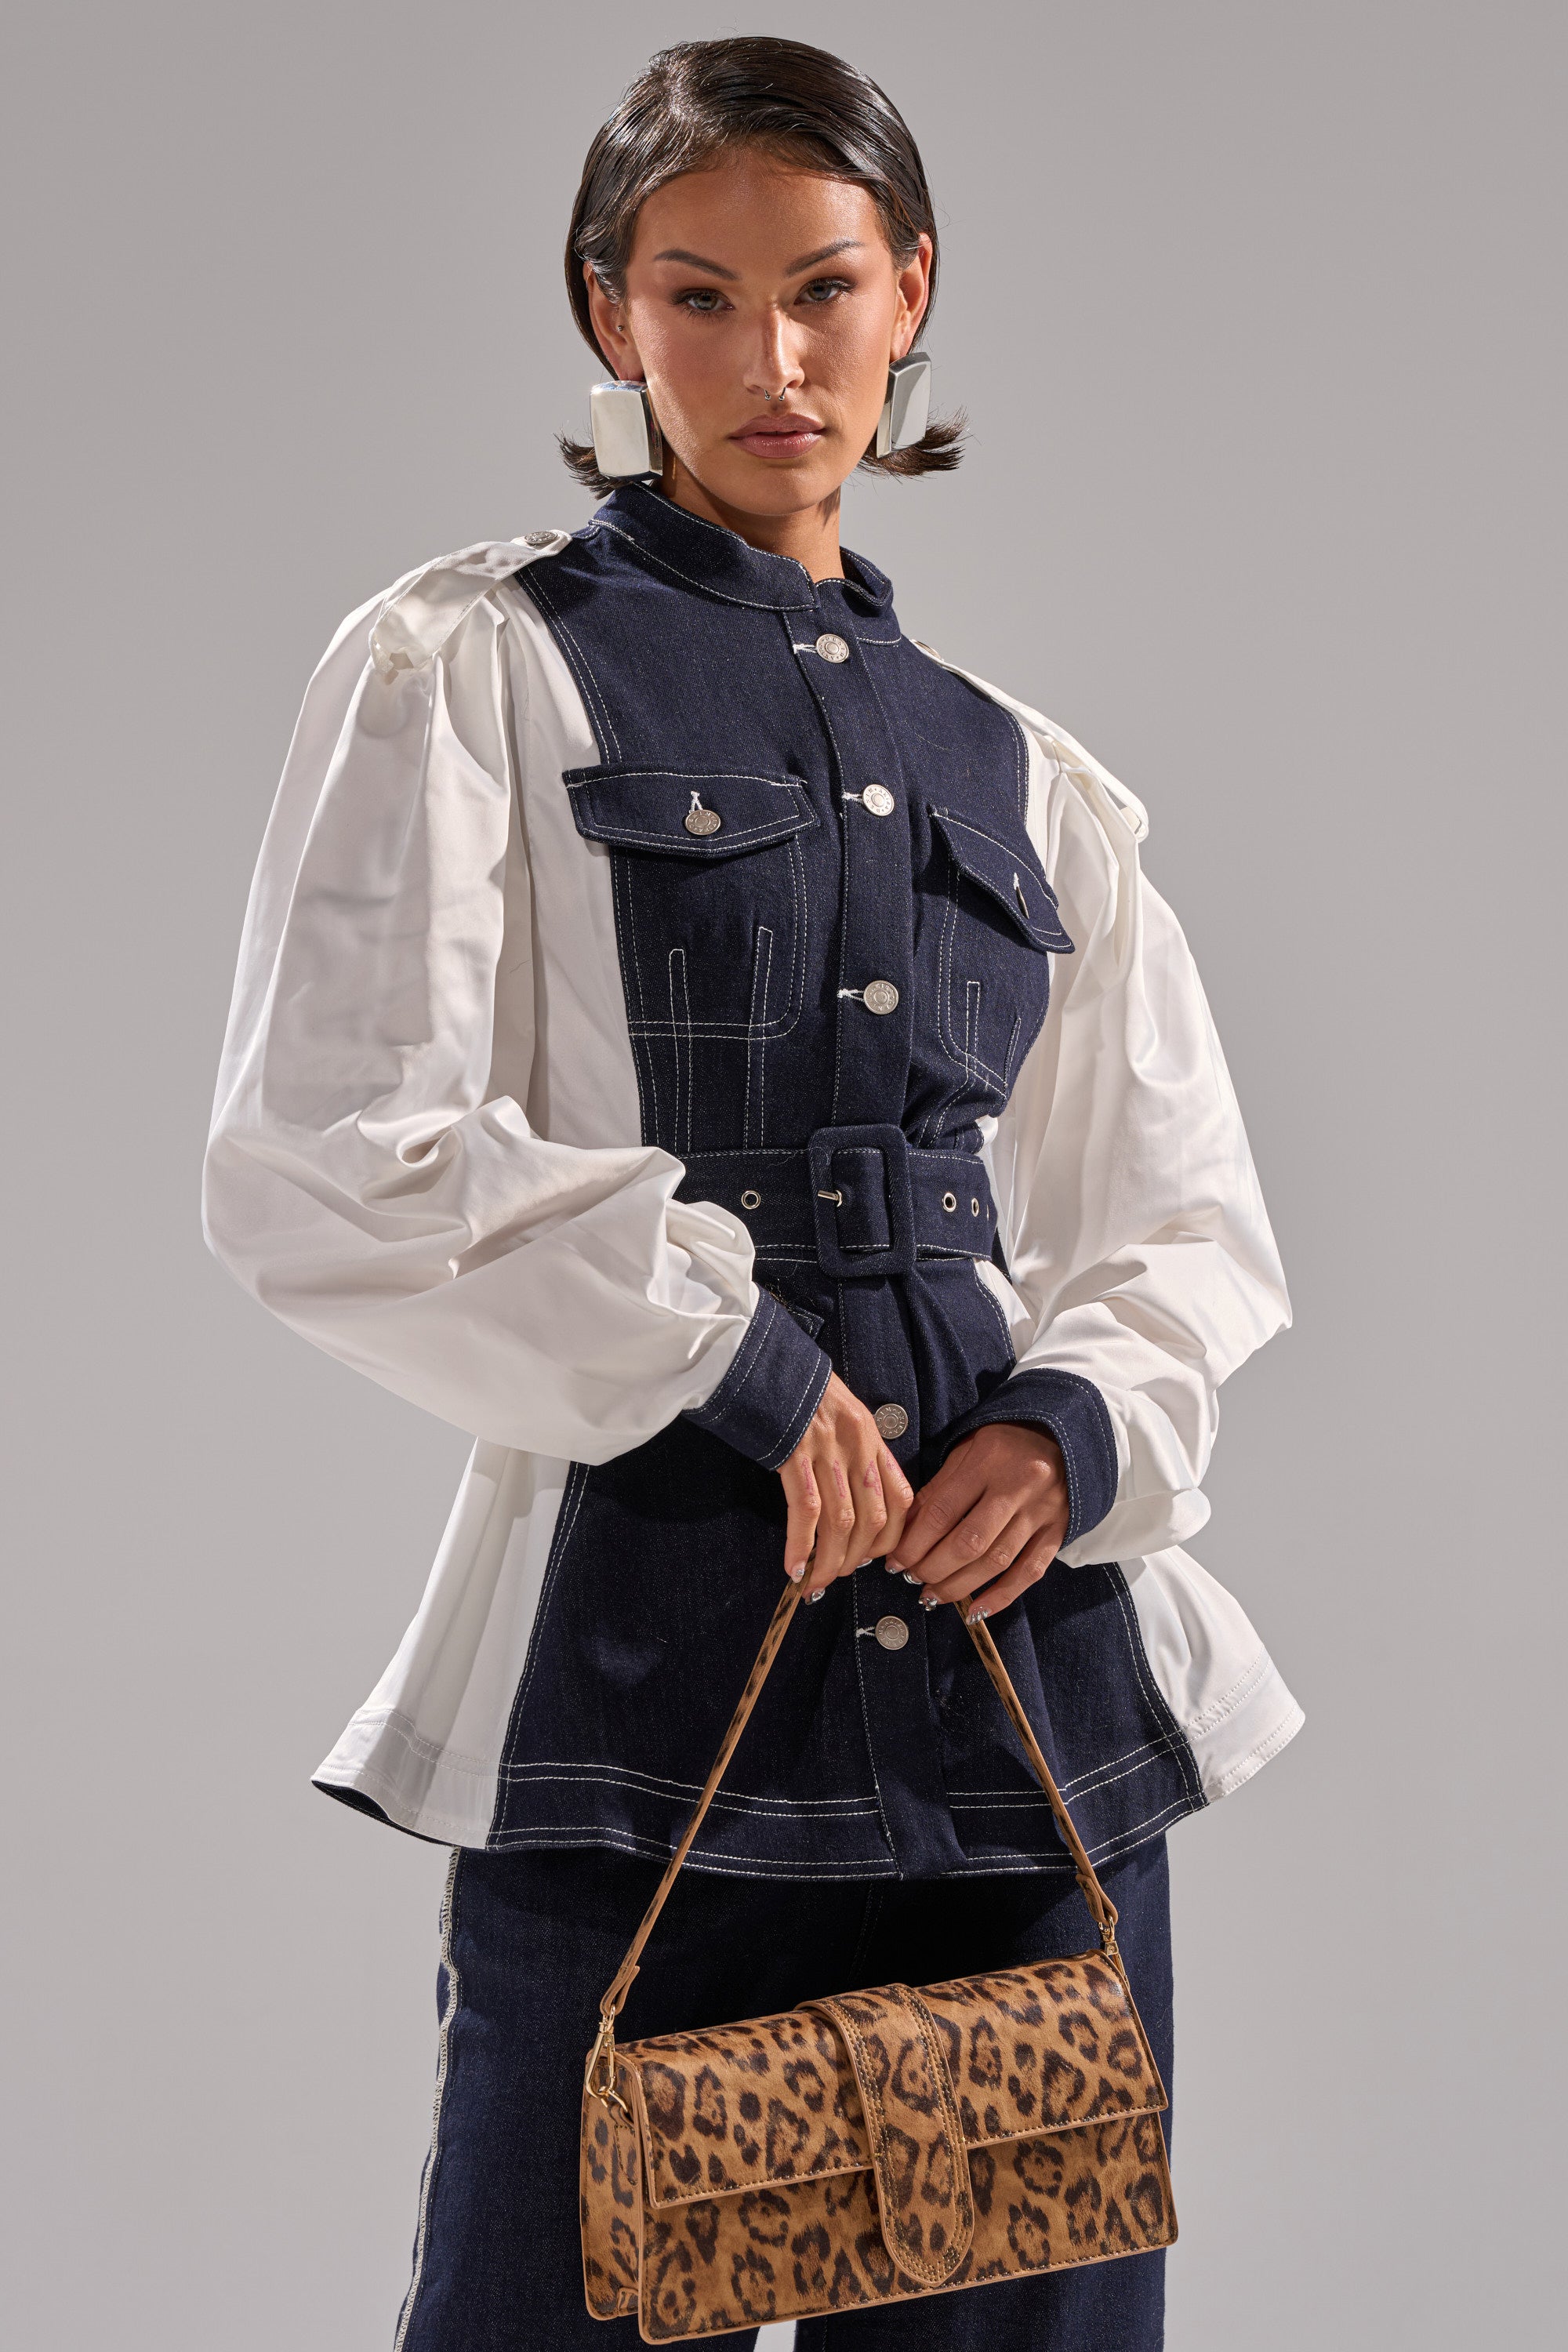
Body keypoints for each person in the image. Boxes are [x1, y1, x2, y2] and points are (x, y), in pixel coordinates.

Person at [205, 36, 1300, 2351]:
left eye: (823, 289)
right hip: (649, 1687)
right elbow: (329, 1149)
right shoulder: (476, 668)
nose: (772, 359)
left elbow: (1182, 1222)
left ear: (913, 294)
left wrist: (1065, 1433)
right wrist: (731, 1354)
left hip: (1022, 1728)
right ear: (612, 316)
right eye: (699, 297)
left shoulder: (1030, 774)